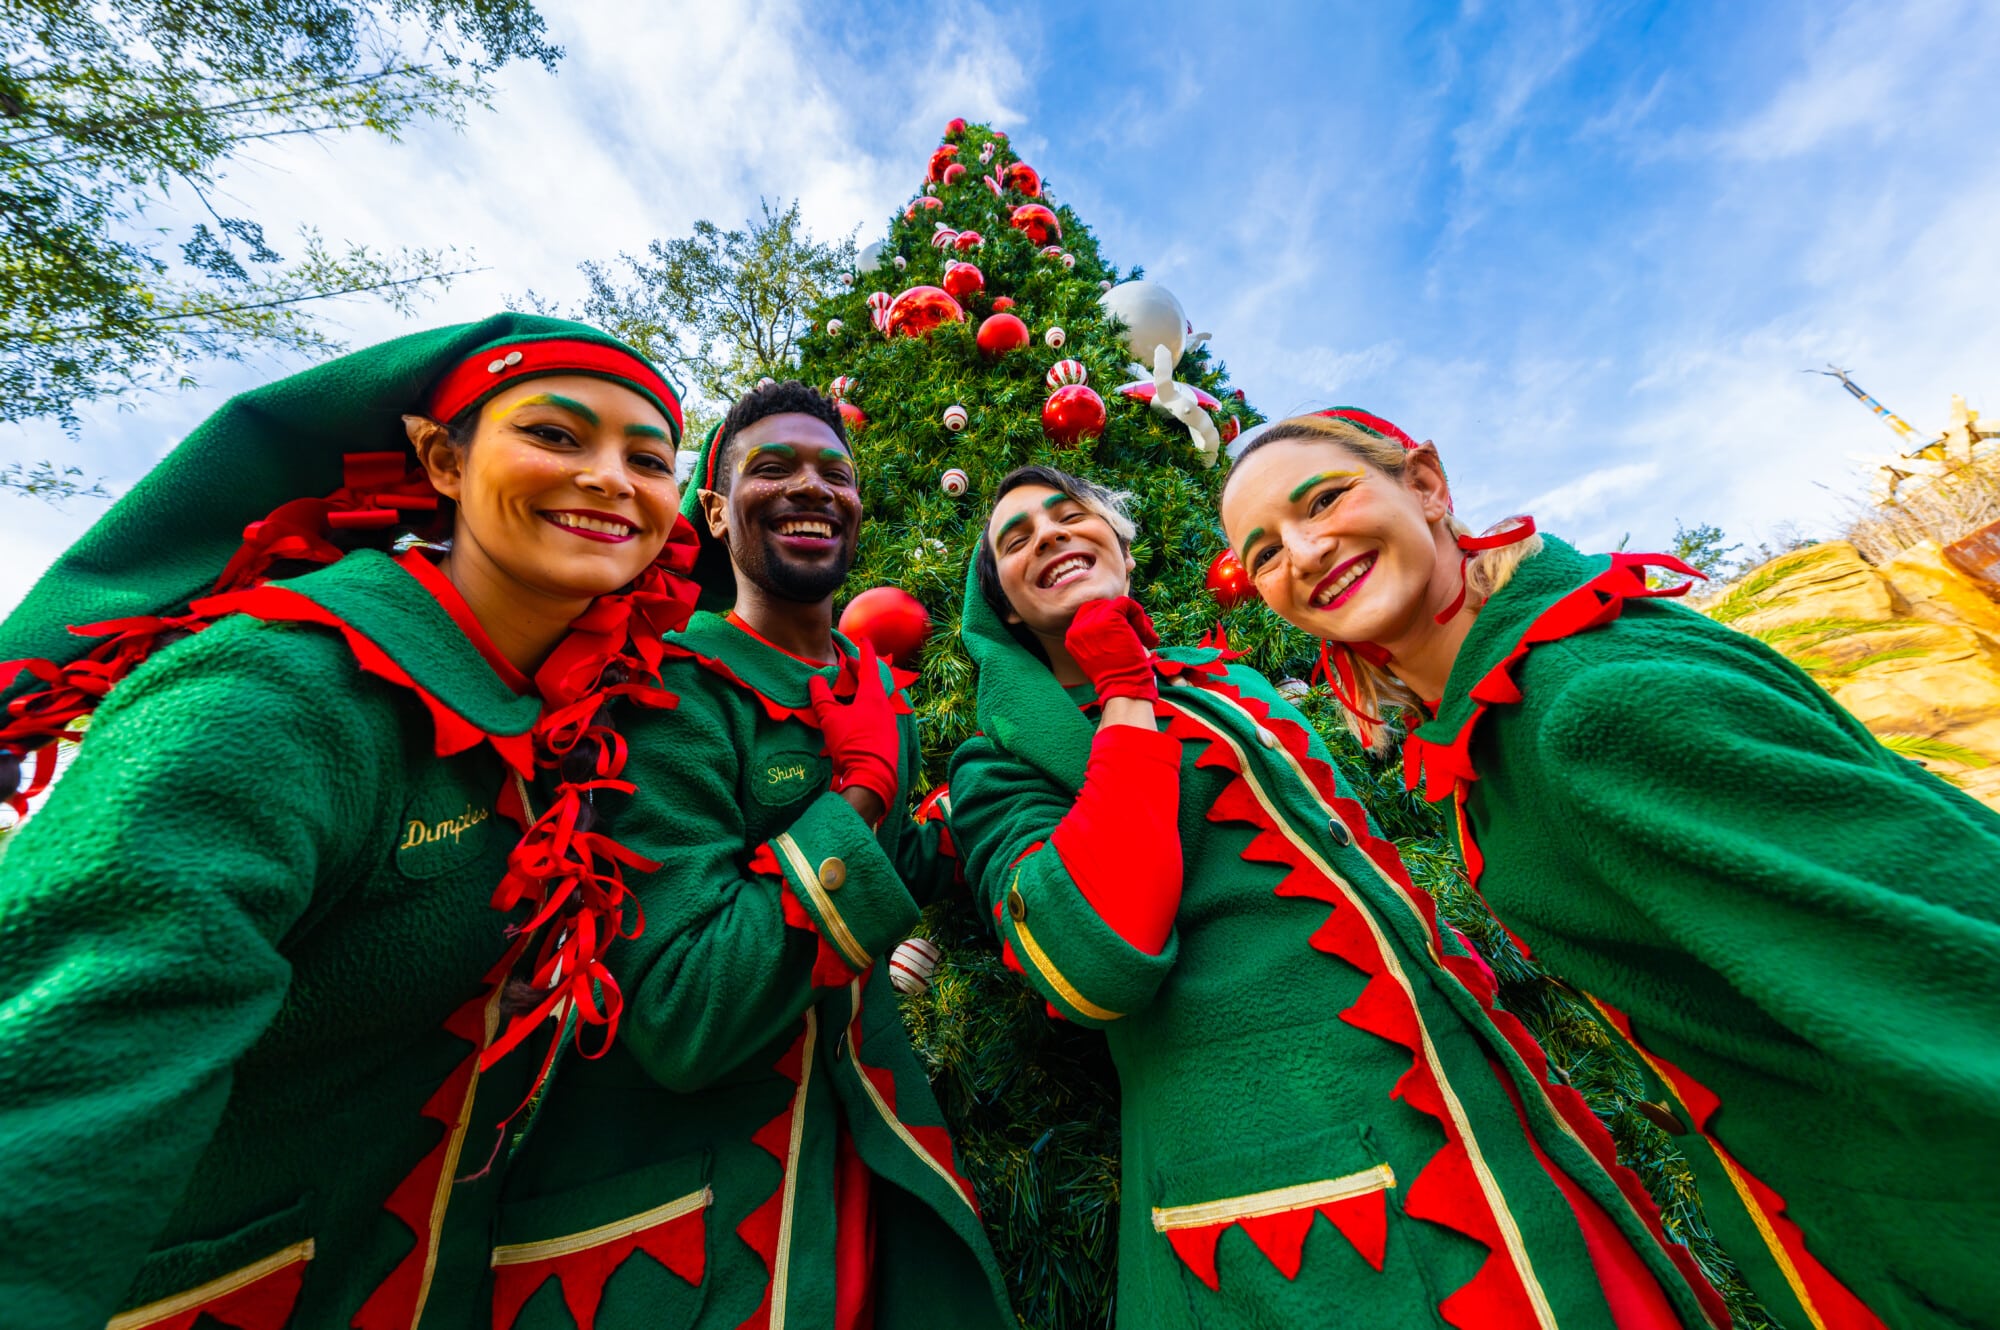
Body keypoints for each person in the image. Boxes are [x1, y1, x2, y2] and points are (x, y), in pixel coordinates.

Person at [1219, 407, 2000, 1330]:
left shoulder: (1590, 709)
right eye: (1263, 552)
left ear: (1426, 484)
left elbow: (1947, 967)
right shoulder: (1508, 724)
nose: (1303, 552)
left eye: (1326, 499)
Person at [0, 314, 701, 1328]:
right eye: (555, 435)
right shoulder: (274, 688)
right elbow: (65, 1077)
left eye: (648, 457)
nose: (610, 478)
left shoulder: (581, 726)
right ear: (440, 460)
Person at [947, 463, 1737, 1330]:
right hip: (1280, 1188)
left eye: (1071, 517)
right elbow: (1090, 957)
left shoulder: (1228, 687)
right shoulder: (995, 767)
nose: (1052, 536)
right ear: (1008, 611)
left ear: (1120, 548)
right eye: (1016, 540)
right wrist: (1122, 697)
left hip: (1466, 1097)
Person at [490, 380, 1012, 1330]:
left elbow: (904, 862)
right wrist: (855, 794)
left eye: (835, 473)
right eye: (771, 468)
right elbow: (686, 1010)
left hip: (872, 1183)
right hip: (694, 1234)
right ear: (716, 513)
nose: (812, 487)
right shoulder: (665, 688)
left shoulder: (879, 699)